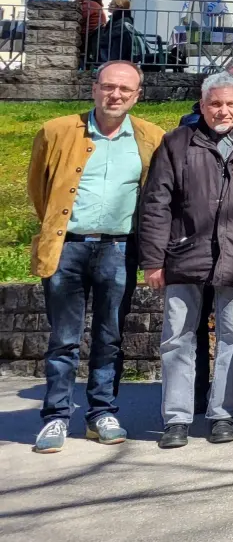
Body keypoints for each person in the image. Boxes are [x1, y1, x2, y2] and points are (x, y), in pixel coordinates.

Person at [28, 62, 163, 454]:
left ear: (138, 95)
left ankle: (101, 412)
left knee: (110, 336)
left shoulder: (151, 138)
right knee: (63, 339)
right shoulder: (56, 131)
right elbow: (38, 188)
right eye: (108, 86)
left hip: (119, 249)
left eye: (125, 89)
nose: (115, 95)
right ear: (94, 89)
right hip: (67, 247)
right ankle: (55, 417)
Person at [142, 72, 233, 449]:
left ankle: (223, 414)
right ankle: (177, 418)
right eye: (215, 104)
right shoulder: (176, 142)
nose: (223, 111)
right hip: (184, 255)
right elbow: (155, 203)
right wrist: (153, 259)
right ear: (202, 106)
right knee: (177, 338)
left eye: (231, 104)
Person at [75, 0, 108, 67]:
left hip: (90, 40)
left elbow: (76, 18)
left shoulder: (89, 4)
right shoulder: (93, 4)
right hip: (90, 39)